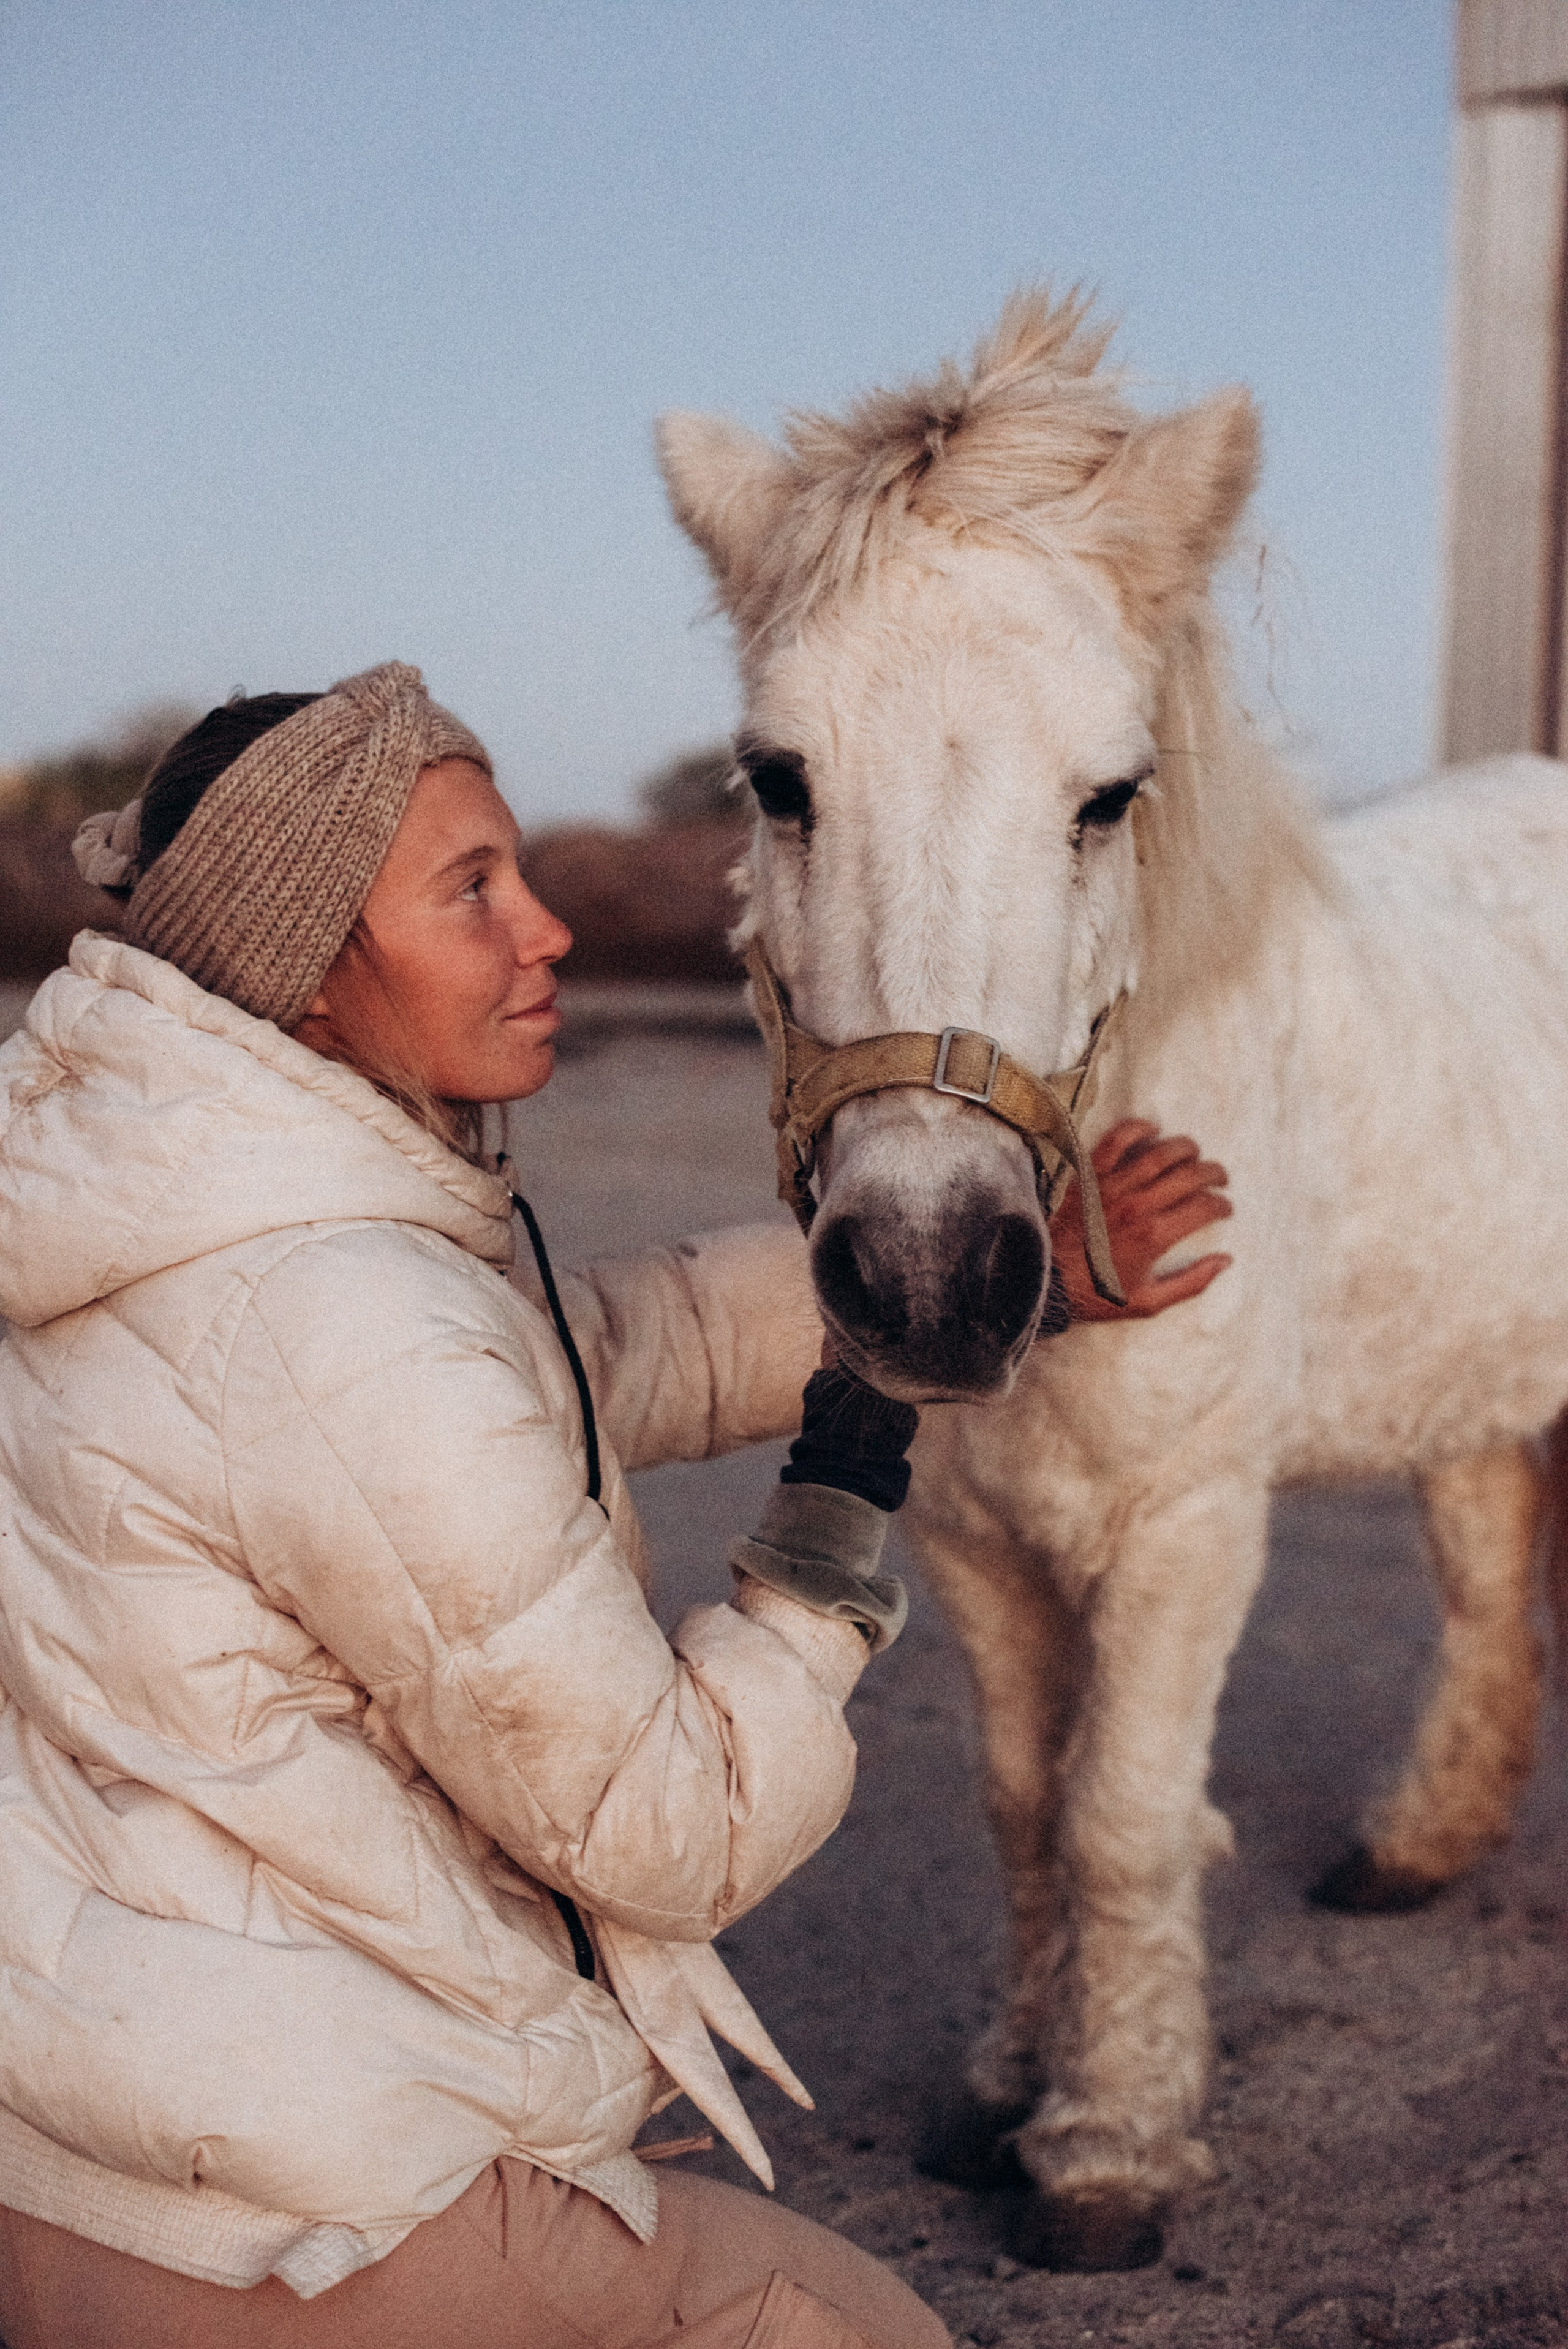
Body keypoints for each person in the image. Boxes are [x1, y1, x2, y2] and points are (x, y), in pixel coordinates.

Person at [0, 664, 1230, 2349]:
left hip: (97, 2158)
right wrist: (837, 1503)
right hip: (310, 2230)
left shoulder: (171, 1209)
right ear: (306, 970)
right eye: (472, 889)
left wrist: (1003, 1284)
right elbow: (673, 1832)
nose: (550, 928)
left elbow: (586, 1357)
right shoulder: (341, 1314)